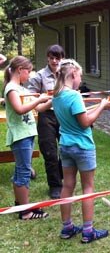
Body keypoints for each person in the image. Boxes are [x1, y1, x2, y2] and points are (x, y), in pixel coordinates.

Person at [52, 59, 110, 243]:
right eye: (80, 75)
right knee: (88, 187)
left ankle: (67, 228)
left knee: (67, 186)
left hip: (65, 146)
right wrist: (102, 106)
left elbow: (79, 116)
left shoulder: (56, 96)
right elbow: (85, 122)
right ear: (73, 74)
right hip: (82, 147)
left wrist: (101, 106)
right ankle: (88, 232)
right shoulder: (74, 95)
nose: (80, 79)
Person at [3, 56, 51, 220]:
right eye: (28, 71)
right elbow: (19, 109)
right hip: (20, 135)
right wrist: (39, 98)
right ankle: (26, 212)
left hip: (27, 134)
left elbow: (40, 107)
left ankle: (21, 204)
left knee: (20, 171)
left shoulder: (22, 88)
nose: (29, 75)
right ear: (19, 70)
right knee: (23, 172)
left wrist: (51, 99)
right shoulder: (12, 89)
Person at [27, 44, 65, 199]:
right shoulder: (39, 76)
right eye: (52, 58)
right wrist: (42, 98)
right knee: (49, 152)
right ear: (48, 58)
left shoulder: (65, 74)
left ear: (62, 58)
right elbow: (29, 95)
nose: (55, 61)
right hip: (46, 116)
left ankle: (62, 177)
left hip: (63, 115)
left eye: (58, 58)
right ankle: (55, 185)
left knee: (66, 149)